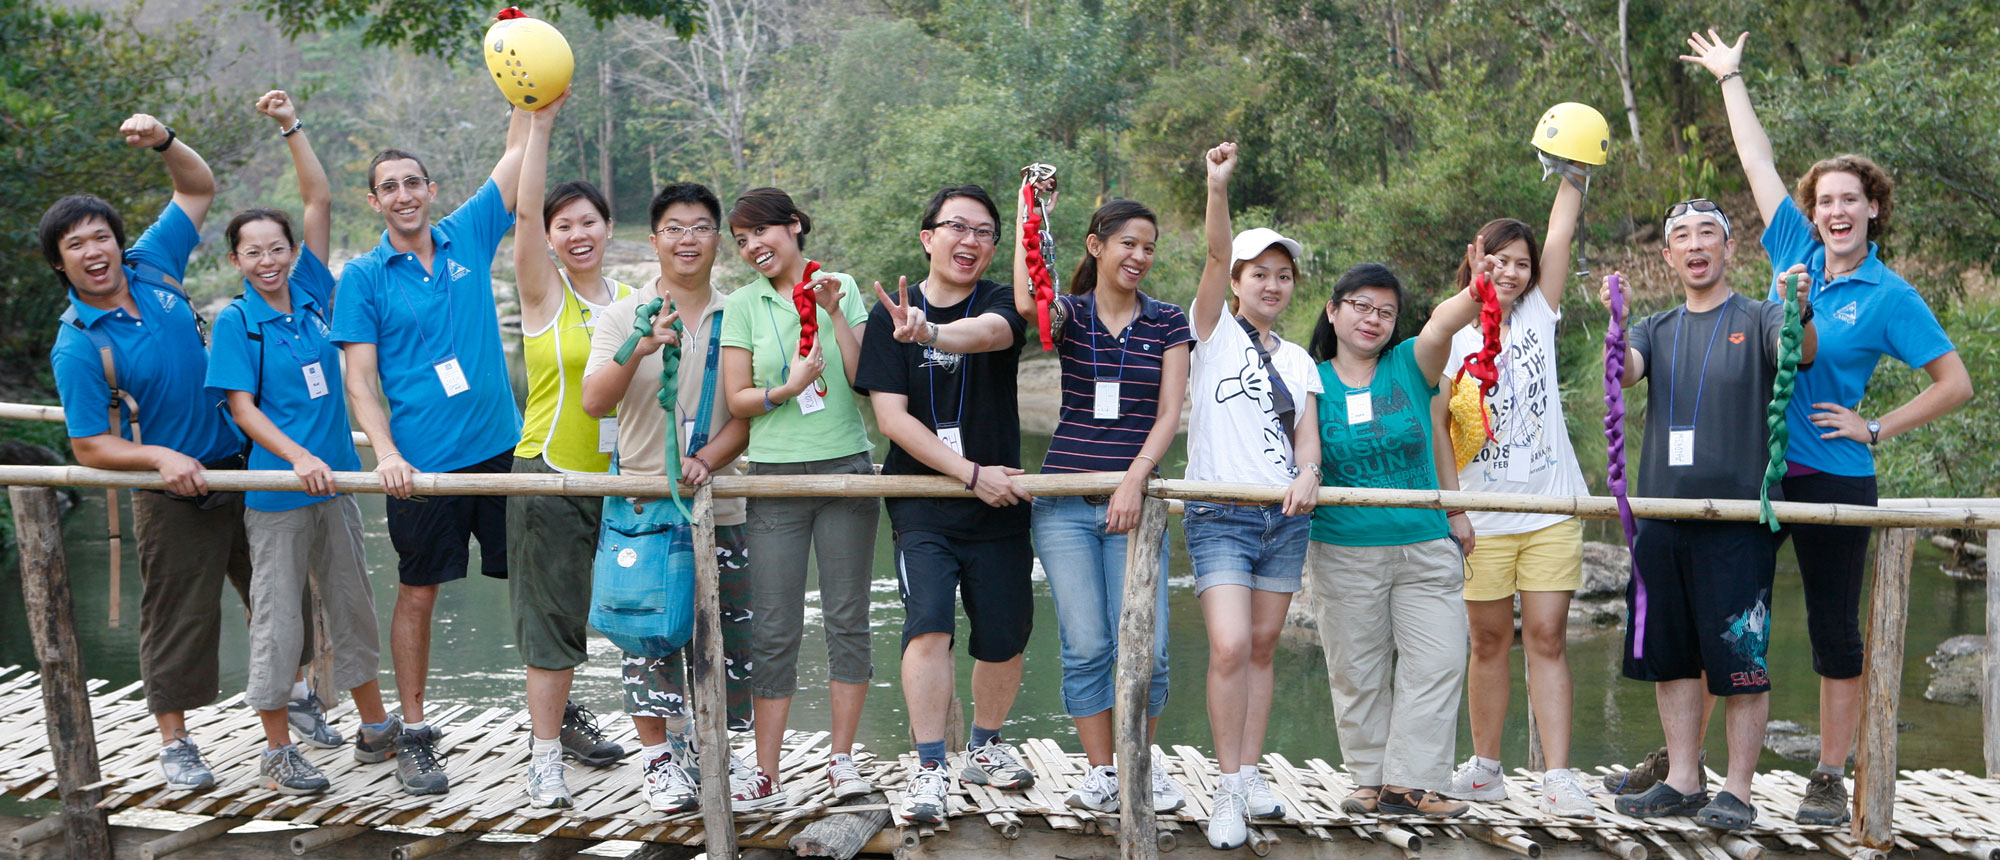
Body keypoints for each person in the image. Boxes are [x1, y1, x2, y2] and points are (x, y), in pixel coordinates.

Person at [1679, 28, 1973, 827]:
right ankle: (1683, 762)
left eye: (1850, 199)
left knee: (1835, 631)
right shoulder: (1792, 251)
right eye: (1826, 201)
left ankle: (1828, 774)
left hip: (1837, 474)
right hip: (1757, 472)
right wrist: (1731, 79)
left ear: (1872, 208)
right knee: (1727, 613)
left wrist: (1875, 426)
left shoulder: (1889, 294)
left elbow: (1956, 382)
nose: (1836, 211)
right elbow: (1756, 165)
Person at [42, 111, 321, 791]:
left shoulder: (153, 266)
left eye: (101, 236)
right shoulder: (79, 342)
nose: (94, 250)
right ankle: (176, 742)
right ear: (61, 263)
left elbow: (197, 188)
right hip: (175, 491)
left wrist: (165, 141)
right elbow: (89, 443)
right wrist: (160, 460)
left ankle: (286, 727)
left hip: (247, 468)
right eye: (77, 245)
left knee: (281, 599)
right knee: (178, 616)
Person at [332, 105, 535, 795]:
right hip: (421, 465)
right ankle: (415, 732)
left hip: (501, 450)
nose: (403, 194)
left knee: (535, 585)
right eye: (389, 186)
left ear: (431, 189)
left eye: (412, 182)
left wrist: (531, 103)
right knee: (418, 592)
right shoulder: (363, 277)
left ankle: (556, 716)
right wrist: (386, 453)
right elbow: (360, 382)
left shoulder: (469, 234)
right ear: (374, 200)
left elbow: (514, 155)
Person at [1601, 197, 1816, 831]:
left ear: (1727, 249)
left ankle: (1740, 790)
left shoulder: (1761, 314)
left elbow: (1800, 352)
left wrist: (1799, 304)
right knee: (1671, 656)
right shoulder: (1655, 328)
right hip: (1661, 519)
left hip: (1737, 521)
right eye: (1680, 238)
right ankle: (1683, 780)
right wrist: (1615, 328)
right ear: (1667, 256)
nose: (1695, 246)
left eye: (1706, 234)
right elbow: (1628, 372)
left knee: (1741, 658)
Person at [204, 90, 395, 795]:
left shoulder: (314, 294)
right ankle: (277, 748)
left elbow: (316, 198)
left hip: (338, 482)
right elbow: (242, 410)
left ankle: (376, 730)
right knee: (280, 620)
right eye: (252, 252)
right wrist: (299, 458)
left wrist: (291, 126)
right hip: (278, 490)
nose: (267, 261)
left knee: (353, 605)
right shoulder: (237, 323)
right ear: (236, 260)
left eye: (276, 248)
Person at [855, 185, 1038, 824]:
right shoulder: (889, 315)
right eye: (957, 227)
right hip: (924, 500)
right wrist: (969, 475)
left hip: (1002, 499)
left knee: (1005, 633)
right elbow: (891, 420)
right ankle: (930, 767)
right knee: (928, 622)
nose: (970, 241)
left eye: (985, 232)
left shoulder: (997, 301)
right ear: (928, 237)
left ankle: (984, 748)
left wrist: (929, 331)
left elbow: (988, 335)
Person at [1014, 193, 1190, 816]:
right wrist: (1026, 214)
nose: (1139, 256)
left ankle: (1140, 763)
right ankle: (1101, 772)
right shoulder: (1070, 315)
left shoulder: (1168, 321)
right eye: (1128, 244)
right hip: (1062, 504)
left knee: (1150, 643)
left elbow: (1170, 412)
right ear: (1097, 246)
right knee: (1086, 643)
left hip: (1136, 505)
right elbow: (1023, 300)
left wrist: (1134, 480)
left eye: (1148, 246)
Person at [582, 181, 755, 814]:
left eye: (701, 227)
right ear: (654, 240)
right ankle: (659, 760)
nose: (688, 239)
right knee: (645, 631)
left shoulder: (740, 312)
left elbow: (746, 413)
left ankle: (721, 753)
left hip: (721, 499)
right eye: (674, 228)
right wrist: (642, 346)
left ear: (718, 240)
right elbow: (595, 401)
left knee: (731, 630)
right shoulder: (622, 314)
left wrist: (706, 460)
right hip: (641, 506)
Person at [1434, 167, 1595, 817]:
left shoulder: (1539, 314)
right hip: (1483, 515)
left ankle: (1557, 774)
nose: (1510, 272)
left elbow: (1560, 230)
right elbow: (1438, 428)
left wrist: (1575, 175)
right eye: (1497, 260)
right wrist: (1456, 508)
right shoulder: (1452, 333)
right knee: (1489, 642)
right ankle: (1488, 768)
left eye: (1520, 263)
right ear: (1475, 259)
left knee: (1550, 637)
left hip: (1551, 505)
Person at [1306, 257, 1486, 819]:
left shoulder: (1410, 363)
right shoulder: (1308, 379)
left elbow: (1443, 324)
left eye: (1386, 311)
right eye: (1361, 306)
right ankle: (1368, 779)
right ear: (1333, 310)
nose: (1373, 319)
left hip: (1424, 546)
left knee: (1437, 663)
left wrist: (1480, 284)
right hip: (1342, 549)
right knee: (1356, 670)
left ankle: (1412, 784)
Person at [718, 188, 878, 808]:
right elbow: (737, 399)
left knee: (847, 618)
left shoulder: (839, 284)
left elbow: (868, 382)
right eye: (740, 239)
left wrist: (835, 313)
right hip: (775, 480)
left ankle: (841, 761)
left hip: (845, 473)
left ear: (793, 226)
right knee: (775, 626)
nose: (753, 246)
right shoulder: (742, 304)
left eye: (761, 232)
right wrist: (786, 389)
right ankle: (766, 770)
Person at [1182, 143, 1322, 849]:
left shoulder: (1298, 360)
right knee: (1231, 645)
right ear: (1236, 279)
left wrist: (1309, 474)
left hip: (1283, 518)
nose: (1272, 285)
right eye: (1259, 273)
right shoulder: (1208, 334)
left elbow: (1307, 439)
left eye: (1283, 275)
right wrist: (1217, 186)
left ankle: (1247, 772)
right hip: (1218, 516)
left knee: (1263, 648)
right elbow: (1211, 255)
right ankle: (1226, 788)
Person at [507, 91, 630, 809]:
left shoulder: (634, 296)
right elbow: (521, 214)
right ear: (550, 237)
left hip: (622, 485)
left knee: (641, 617)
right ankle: (545, 758)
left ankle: (663, 750)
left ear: (608, 228)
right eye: (564, 225)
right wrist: (538, 124)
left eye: (588, 222)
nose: (577, 234)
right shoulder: (542, 295)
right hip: (548, 478)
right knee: (551, 627)